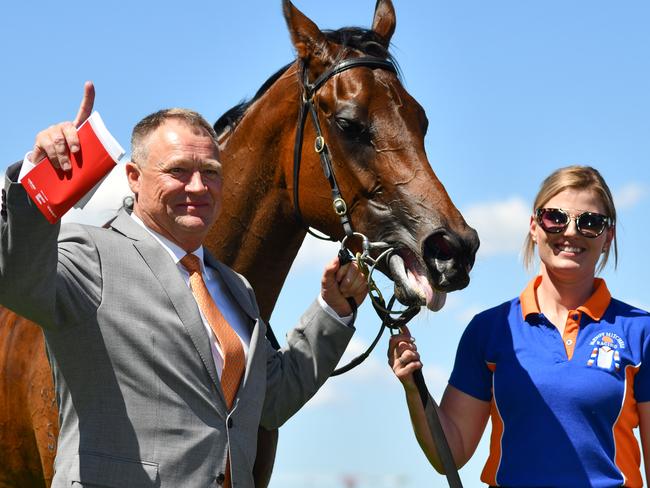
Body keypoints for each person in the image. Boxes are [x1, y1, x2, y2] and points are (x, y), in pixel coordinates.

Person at [0, 82, 368, 488]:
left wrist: (334, 309)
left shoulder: (235, 289)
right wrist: (41, 184)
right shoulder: (89, 253)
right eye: (178, 170)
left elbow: (273, 398)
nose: (197, 187)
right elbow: (18, 282)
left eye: (210, 172)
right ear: (134, 178)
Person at [389, 165, 650, 487]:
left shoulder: (641, 332)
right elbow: (451, 452)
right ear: (534, 226)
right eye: (555, 218)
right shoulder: (489, 330)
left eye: (590, 222)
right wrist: (414, 389)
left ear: (608, 235)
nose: (570, 232)